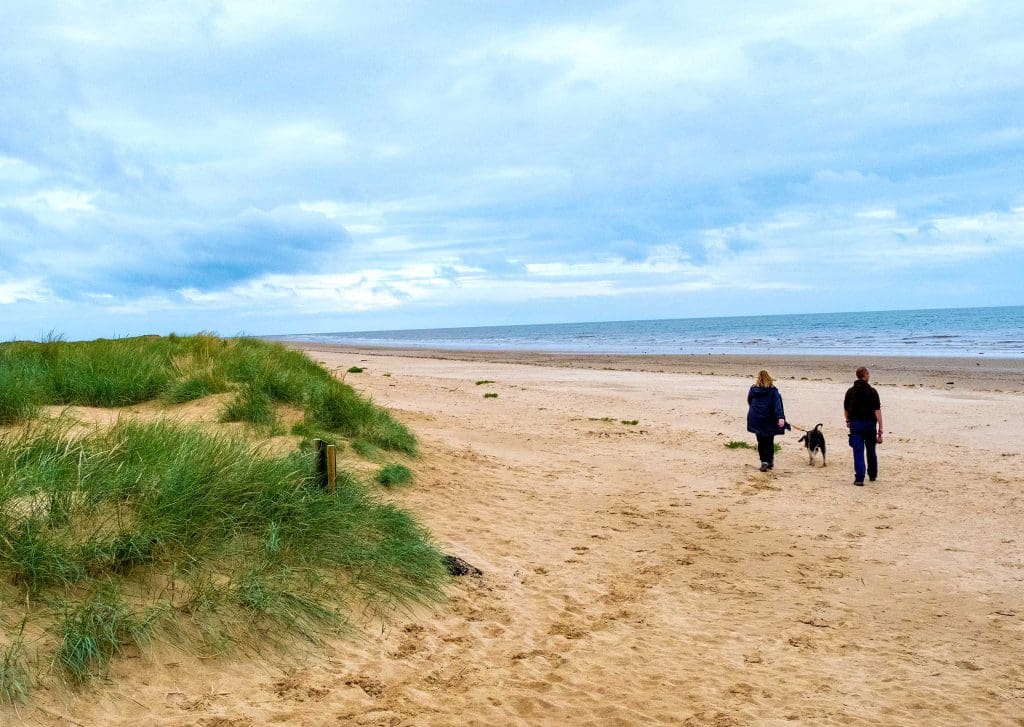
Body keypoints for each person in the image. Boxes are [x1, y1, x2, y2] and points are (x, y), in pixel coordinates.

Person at [844, 366, 883, 486]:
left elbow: (846, 409)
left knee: (858, 451)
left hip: (855, 424)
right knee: (871, 450)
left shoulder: (850, 391)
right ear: (865, 375)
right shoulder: (872, 391)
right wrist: (880, 429)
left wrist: (847, 421)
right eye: (868, 373)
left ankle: (859, 478)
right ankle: (872, 474)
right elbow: (877, 412)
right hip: (869, 424)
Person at [746, 370, 790, 472]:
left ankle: (764, 462)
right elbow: (777, 405)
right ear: (769, 378)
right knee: (769, 441)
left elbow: (749, 400)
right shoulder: (773, 391)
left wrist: (755, 409)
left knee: (761, 441)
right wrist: (780, 417)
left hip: (756, 418)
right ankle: (769, 461)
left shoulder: (753, 389)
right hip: (769, 418)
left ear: (758, 379)